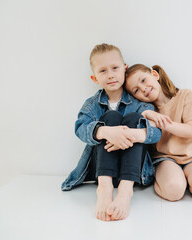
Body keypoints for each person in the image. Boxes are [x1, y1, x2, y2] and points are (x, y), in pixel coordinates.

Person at [61, 44, 161, 221]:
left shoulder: (139, 101)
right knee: (111, 117)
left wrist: (128, 134)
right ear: (94, 78)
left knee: (133, 117)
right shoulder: (92, 104)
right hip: (103, 170)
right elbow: (80, 128)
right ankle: (105, 190)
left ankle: (125, 192)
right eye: (103, 71)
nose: (110, 75)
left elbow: (156, 132)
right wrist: (105, 131)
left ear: (124, 69)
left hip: (132, 173)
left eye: (115, 68)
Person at [124, 64, 192, 201]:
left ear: (154, 75)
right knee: (174, 191)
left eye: (143, 80)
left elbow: (191, 131)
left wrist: (163, 123)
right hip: (165, 158)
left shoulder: (185, 95)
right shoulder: (147, 111)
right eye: (136, 90)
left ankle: (187, 176)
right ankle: (170, 179)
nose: (143, 89)